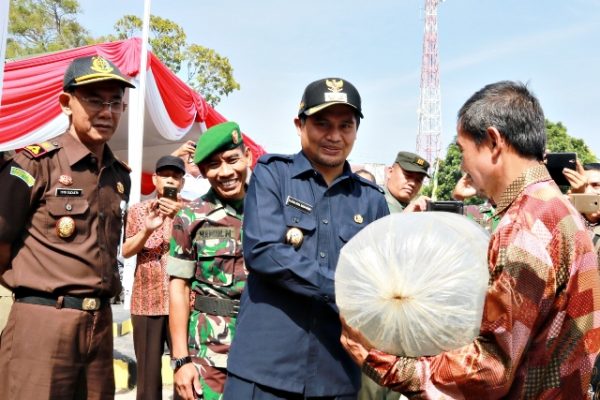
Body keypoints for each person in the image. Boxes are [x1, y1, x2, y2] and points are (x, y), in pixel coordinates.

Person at [341, 81, 600, 399]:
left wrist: (382, 362)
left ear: (493, 142)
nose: (462, 166)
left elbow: (490, 369)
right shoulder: (557, 207)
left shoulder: (527, 224)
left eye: (464, 151)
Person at [223, 77, 389, 399]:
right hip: (264, 370)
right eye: (322, 124)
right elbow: (264, 251)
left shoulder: (371, 200)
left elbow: (383, 279)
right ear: (299, 125)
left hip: (336, 374)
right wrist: (343, 289)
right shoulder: (273, 174)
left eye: (346, 126)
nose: (334, 136)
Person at [0, 55, 134, 399]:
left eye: (115, 102)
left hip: (99, 324)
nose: (106, 112)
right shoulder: (34, 163)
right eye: (94, 100)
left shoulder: (119, 177)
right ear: (66, 103)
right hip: (44, 322)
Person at [168, 121, 253, 400]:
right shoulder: (190, 218)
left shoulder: (272, 210)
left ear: (247, 156)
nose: (226, 172)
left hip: (264, 346)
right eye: (214, 165)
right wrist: (181, 360)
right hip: (208, 353)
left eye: (232, 160)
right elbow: (178, 289)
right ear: (203, 172)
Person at [122, 155, 186, 400]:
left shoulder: (192, 210)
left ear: (182, 182)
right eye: (166, 175)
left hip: (182, 303)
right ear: (155, 179)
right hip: (145, 301)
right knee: (148, 377)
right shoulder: (138, 211)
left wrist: (180, 216)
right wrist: (147, 229)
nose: (171, 180)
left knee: (185, 368)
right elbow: (126, 251)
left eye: (176, 176)